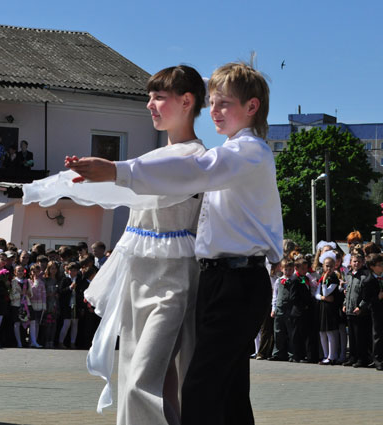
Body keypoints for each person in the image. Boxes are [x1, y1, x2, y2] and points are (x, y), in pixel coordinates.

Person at [65, 62, 283, 425]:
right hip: (217, 278)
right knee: (227, 392)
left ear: (252, 106)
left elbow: (193, 171)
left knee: (201, 389)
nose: (214, 110)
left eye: (224, 103)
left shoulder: (248, 152)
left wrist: (118, 170)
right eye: (212, 102)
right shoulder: (230, 151)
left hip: (238, 280)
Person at [24, 65, 209, 424]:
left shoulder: (194, 157)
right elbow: (128, 180)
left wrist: (105, 172)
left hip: (174, 278)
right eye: (149, 97)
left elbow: (137, 178)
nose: (150, 105)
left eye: (159, 97)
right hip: (139, 274)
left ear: (187, 101)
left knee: (142, 379)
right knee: (150, 377)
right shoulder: (149, 159)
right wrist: (67, 182)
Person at [343, 250, 371, 367]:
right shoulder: (349, 275)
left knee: (360, 336)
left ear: (363, 262)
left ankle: (362, 358)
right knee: (352, 337)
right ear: (351, 262)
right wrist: (345, 304)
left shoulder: (365, 276)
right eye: (354, 261)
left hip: (360, 311)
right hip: (350, 310)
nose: (356, 263)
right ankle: (352, 357)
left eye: (359, 262)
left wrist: (361, 307)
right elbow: (348, 291)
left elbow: (366, 295)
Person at [363, 252, 383, 370]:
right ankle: (378, 360)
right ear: (372, 267)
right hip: (377, 310)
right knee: (378, 335)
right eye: (379, 264)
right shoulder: (368, 280)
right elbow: (367, 300)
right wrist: (378, 297)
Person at [315, 251, 341, 365]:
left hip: (331, 308)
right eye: (327, 266)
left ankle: (332, 356)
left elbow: (326, 292)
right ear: (323, 266)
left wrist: (324, 283)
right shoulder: (322, 278)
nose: (329, 268)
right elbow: (317, 294)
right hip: (323, 307)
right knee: (322, 332)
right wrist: (322, 298)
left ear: (335, 266)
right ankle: (325, 355)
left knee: (330, 332)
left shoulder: (334, 278)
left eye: (331, 266)